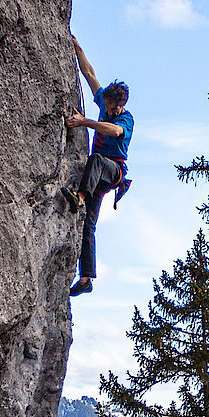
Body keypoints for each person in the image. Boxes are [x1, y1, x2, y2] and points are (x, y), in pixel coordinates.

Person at [64, 35, 133, 297]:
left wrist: (85, 122)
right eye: (111, 104)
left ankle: (79, 197)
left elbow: (114, 131)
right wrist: (77, 47)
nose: (114, 108)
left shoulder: (126, 119)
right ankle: (86, 278)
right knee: (87, 226)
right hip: (98, 175)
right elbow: (89, 73)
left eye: (118, 106)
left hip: (113, 171)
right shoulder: (103, 100)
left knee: (96, 159)